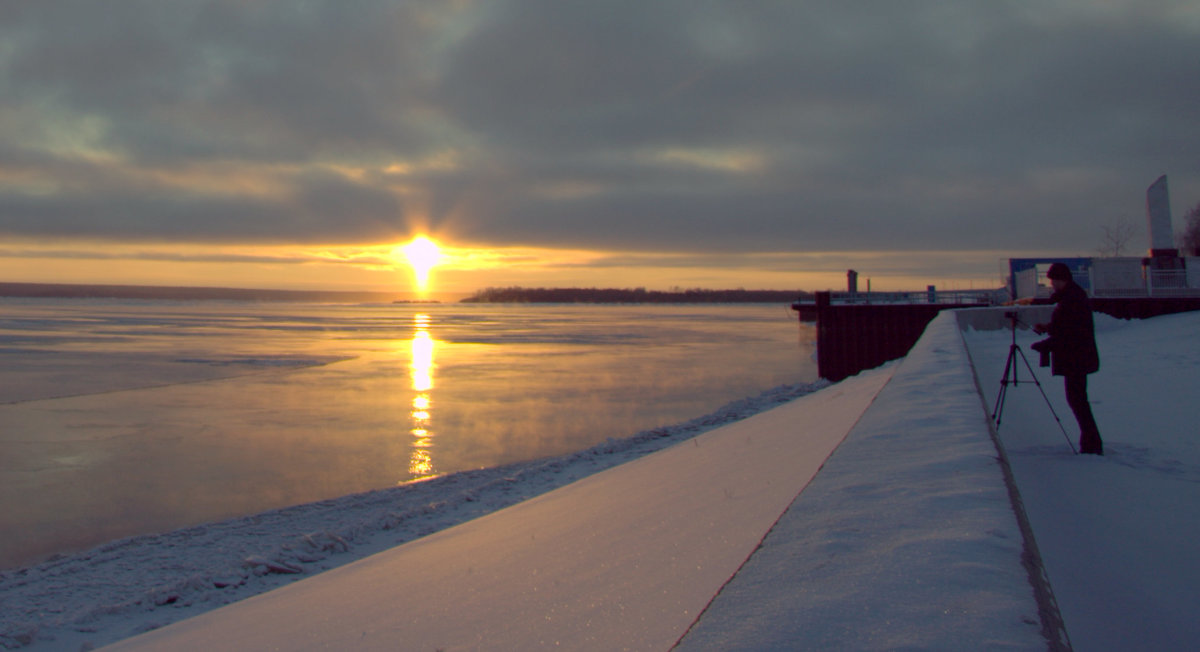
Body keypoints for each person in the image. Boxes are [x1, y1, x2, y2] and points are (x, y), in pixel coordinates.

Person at [1032, 263, 1103, 455]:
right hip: (1077, 358)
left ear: (1061, 279)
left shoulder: (1072, 299)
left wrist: (1046, 344)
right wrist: (1048, 329)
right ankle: (1090, 444)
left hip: (1076, 359)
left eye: (1053, 280)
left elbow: (1070, 333)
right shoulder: (1072, 297)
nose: (1052, 285)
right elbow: (1066, 327)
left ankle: (1092, 445)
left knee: (1078, 401)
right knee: (1078, 401)